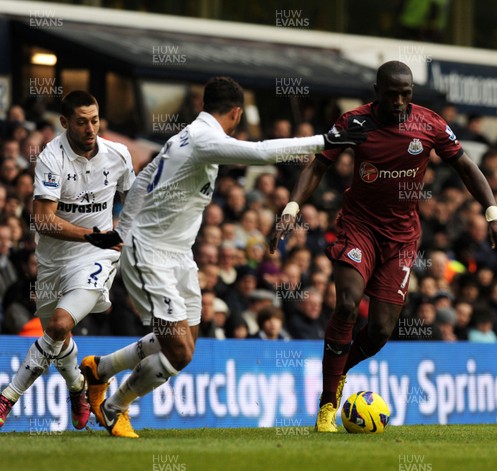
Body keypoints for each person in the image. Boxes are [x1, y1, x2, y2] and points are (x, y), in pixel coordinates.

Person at [81, 76, 366, 438]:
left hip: (179, 256)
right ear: (235, 112)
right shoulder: (203, 140)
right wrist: (327, 141)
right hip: (150, 255)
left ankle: (99, 370)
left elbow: (142, 180)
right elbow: (263, 152)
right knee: (180, 352)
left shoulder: (182, 136)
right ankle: (113, 407)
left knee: (187, 337)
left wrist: (121, 228)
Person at [270, 61, 497, 432]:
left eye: (406, 93)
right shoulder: (355, 123)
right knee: (347, 303)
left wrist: (494, 213)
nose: (399, 101)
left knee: (380, 330)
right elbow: (318, 165)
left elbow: (466, 167)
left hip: (401, 238)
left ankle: (339, 371)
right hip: (359, 227)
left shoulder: (429, 124)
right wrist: (292, 207)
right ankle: (328, 404)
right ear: (377, 91)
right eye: (392, 94)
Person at [0, 91, 135, 429]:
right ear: (64, 123)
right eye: (81, 121)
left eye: (95, 119)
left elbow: (133, 204)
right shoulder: (51, 157)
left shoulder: (119, 155)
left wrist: (121, 238)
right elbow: (43, 220)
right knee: (57, 337)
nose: (90, 128)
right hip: (53, 260)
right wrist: (91, 233)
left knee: (60, 325)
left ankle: (8, 397)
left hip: (97, 256)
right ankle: (78, 387)